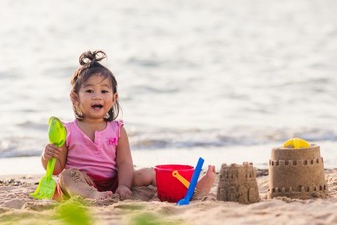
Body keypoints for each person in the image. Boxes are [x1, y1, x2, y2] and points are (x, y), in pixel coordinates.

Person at [41, 50, 216, 201]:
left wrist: (124, 185)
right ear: (75, 97)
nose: (97, 96)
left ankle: (192, 190)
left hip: (113, 181)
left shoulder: (117, 130)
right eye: (89, 91)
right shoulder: (67, 130)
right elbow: (56, 169)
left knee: (149, 173)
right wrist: (47, 156)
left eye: (104, 91)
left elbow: (125, 162)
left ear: (114, 98)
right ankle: (92, 195)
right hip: (83, 182)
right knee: (67, 176)